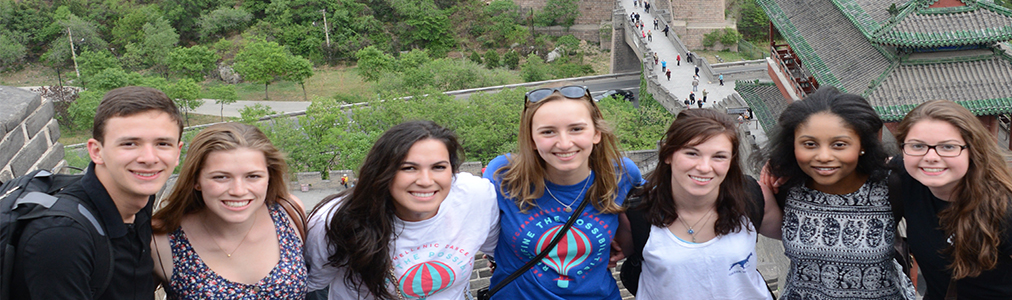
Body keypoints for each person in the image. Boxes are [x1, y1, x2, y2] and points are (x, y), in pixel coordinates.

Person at [891, 100, 1012, 300]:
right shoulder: (906, 177)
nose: (931, 156)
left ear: (972, 150)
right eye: (917, 146)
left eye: (948, 147)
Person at [11, 86, 184, 299]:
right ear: (96, 151)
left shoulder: (140, 199)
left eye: (162, 144)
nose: (149, 158)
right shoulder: (62, 237)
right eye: (130, 143)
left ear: (177, 153)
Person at [483, 85, 643, 299]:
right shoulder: (503, 175)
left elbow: (663, 209)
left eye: (576, 129)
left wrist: (629, 243)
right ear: (531, 139)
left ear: (596, 133)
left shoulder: (620, 174)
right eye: (548, 131)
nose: (565, 143)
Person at [307, 121, 499, 299]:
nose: (425, 181)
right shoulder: (334, 220)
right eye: (409, 168)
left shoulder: (476, 197)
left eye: (439, 167)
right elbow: (308, 286)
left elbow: (501, 254)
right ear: (383, 172)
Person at [762, 86, 915, 299]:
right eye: (809, 144)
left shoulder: (890, 186)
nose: (823, 156)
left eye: (839, 144)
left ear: (862, 144)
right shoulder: (787, 187)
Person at [619, 109, 780, 299]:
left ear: (731, 162)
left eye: (719, 156)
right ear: (668, 155)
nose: (704, 167)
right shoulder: (636, 212)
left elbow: (802, 241)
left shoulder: (752, 197)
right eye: (692, 153)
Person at [151, 122, 308, 299]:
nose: (238, 191)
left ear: (269, 177)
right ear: (196, 180)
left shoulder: (290, 212)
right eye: (221, 177)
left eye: (253, 176)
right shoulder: (159, 239)